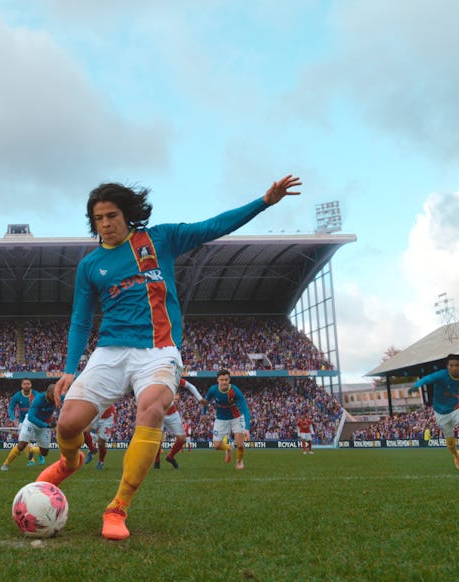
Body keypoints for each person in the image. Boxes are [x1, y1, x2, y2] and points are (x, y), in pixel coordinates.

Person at [35, 174, 301, 540]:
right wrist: (68, 370)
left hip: (159, 351)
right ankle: (70, 460)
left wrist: (264, 201)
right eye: (98, 219)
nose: (106, 224)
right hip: (110, 352)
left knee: (153, 406)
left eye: (112, 215)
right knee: (67, 424)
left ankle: (117, 508)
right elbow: (81, 319)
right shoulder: (90, 265)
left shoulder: (160, 239)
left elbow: (213, 227)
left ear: (126, 215)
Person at [408, 354, 459, 471]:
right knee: (450, 444)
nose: (454, 368)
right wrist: (416, 385)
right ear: (447, 366)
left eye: (457, 365)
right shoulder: (441, 375)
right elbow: (427, 378)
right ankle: (456, 455)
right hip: (441, 412)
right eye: (451, 365)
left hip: (458, 408)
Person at [1, 384, 60, 471]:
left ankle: (31, 449)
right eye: (53, 395)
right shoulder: (39, 399)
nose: (55, 397)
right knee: (21, 445)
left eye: (57, 394)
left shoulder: (58, 398)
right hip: (31, 422)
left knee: (45, 452)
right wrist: (46, 425)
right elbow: (31, 417)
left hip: (44, 424)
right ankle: (6, 463)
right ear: (48, 393)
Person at [203, 369, 252, 470]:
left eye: (226, 379)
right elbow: (205, 401)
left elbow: (246, 410)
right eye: (222, 380)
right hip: (220, 419)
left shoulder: (235, 391)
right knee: (216, 446)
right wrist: (204, 413)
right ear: (218, 380)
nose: (224, 382)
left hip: (236, 418)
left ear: (229, 380)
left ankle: (239, 461)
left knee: (240, 445)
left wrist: (247, 428)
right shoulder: (213, 390)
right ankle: (229, 448)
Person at [155, 379, 203, 469]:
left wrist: (200, 398)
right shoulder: (155, 378)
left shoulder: (174, 378)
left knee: (182, 439)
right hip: (159, 413)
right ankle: (156, 460)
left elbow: (190, 386)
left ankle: (170, 457)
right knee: (158, 439)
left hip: (172, 413)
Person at [9, 379, 37, 464]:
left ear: (31, 385)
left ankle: (40, 455)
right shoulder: (17, 396)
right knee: (23, 440)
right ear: (22, 386)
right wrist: (13, 418)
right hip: (22, 421)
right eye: (24, 384)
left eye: (28, 384)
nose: (26, 385)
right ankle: (31, 460)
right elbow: (10, 408)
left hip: (34, 420)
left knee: (37, 440)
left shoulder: (36, 394)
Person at [87, 405, 116, 470]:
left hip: (107, 417)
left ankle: (101, 462)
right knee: (84, 431)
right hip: (95, 414)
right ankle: (92, 450)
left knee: (101, 443)